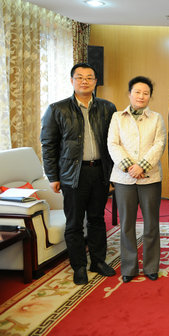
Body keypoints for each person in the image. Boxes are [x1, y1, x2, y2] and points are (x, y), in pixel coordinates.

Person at [41, 63, 117, 285]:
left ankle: (98, 261)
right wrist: (53, 176)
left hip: (100, 172)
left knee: (97, 219)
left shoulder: (107, 108)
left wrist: (113, 174)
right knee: (74, 222)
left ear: (95, 81)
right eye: (80, 77)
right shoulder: (57, 109)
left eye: (89, 77)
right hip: (73, 174)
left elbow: (114, 142)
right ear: (72, 80)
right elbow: (48, 145)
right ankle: (79, 266)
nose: (85, 81)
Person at [107, 76, 166, 283]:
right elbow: (113, 144)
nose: (141, 96)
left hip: (150, 178)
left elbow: (159, 144)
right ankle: (129, 268)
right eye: (137, 92)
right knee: (126, 225)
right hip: (123, 178)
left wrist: (141, 166)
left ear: (150, 96)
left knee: (151, 224)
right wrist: (129, 167)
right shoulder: (117, 117)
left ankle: (151, 266)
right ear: (130, 94)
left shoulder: (156, 118)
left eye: (146, 93)